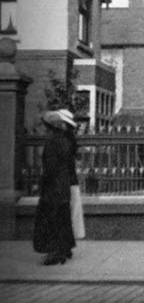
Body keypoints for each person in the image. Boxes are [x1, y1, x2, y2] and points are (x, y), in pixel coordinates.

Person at [32, 110, 77, 265]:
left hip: (53, 187)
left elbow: (50, 167)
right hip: (64, 186)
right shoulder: (66, 140)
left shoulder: (51, 141)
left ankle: (54, 253)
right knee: (63, 218)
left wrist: (42, 182)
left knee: (51, 219)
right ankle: (64, 248)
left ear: (51, 127)